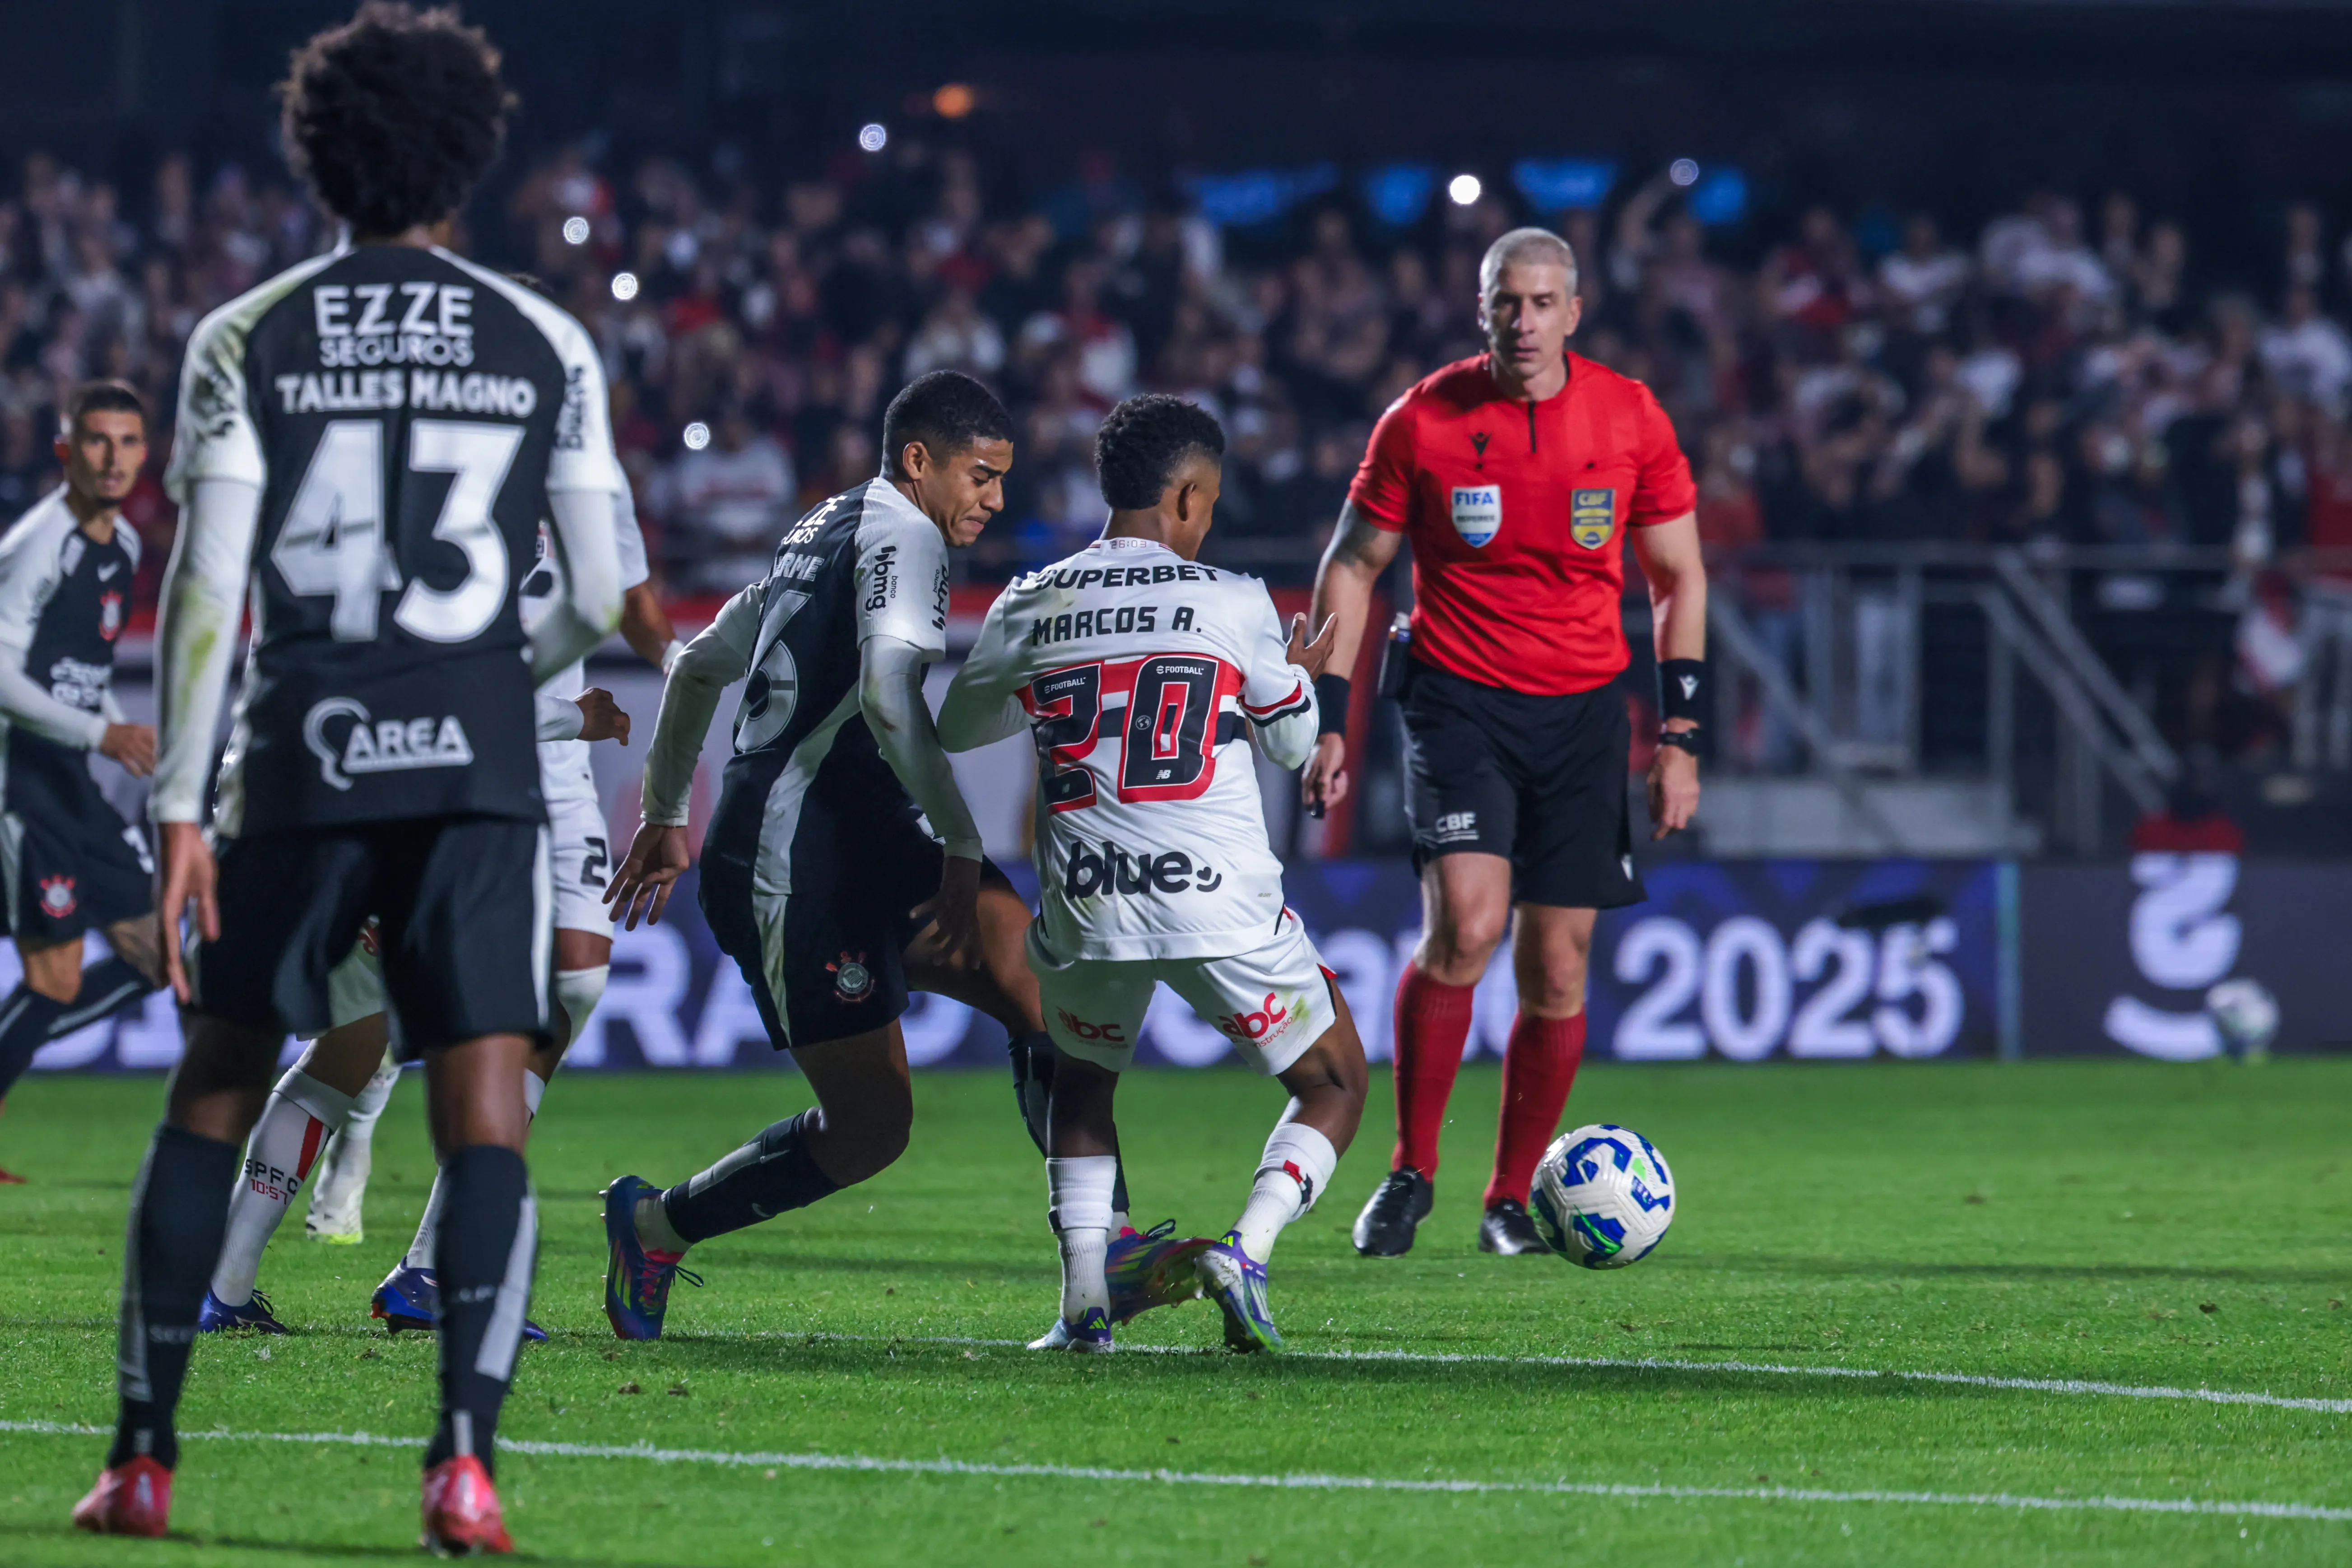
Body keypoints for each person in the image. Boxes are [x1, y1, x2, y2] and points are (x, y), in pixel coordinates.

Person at [73, 6, 624, 1552]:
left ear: (318, 149)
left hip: (305, 760)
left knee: (214, 1090)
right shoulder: (544, 337)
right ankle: (462, 1465)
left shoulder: (251, 332)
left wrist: (179, 806)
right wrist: (486, 674)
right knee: (485, 1114)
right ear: (473, 152)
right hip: (476, 769)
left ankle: (142, 1459)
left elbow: (207, 593)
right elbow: (597, 585)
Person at [596, 370, 1145, 1340]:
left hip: (864, 828)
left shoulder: (825, 528)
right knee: (869, 1130)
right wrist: (966, 844)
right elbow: (892, 698)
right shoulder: (906, 534)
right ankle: (654, 1223)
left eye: (1004, 479)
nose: (995, 499)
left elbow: (697, 665)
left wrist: (666, 810)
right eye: (980, 475)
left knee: (1048, 993)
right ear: (919, 461)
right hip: (792, 860)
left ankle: (1107, 1253)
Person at [192, 450, 680, 1341]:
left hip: (552, 794)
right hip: (442, 789)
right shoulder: (415, 486)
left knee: (569, 985)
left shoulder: (587, 481)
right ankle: (224, 1279)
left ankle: (429, 1270)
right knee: (354, 1044)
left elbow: (631, 608)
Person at [1302, 227, 1707, 1258]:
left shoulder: (1629, 416)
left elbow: (1677, 579)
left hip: (1581, 712)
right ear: (1480, 310)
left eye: (1540, 303)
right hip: (1457, 699)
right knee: (1469, 928)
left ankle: (1506, 1198)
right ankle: (1410, 1172)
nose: (1522, 321)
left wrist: (1680, 736)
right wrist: (1328, 715)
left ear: (1574, 311)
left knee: (1560, 968)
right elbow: (1353, 565)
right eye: (1503, 303)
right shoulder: (1424, 420)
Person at [940, 393, 1366, 1353]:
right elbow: (1295, 744)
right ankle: (1246, 1251)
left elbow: (961, 727)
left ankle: (1082, 1309)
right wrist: (1295, 678)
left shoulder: (1031, 597)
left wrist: (1053, 687)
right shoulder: (1233, 598)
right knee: (1334, 1078)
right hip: (1216, 897)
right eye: (1206, 500)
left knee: (1080, 1081)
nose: (1207, 518)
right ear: (1183, 496)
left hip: (1088, 899)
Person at [0, 382, 167, 1168]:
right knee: (57, 976)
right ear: (67, 450)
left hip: (75, 776)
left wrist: (116, 733)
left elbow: (78, 668)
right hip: (21, 782)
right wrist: (105, 731)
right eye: (96, 441)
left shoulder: (122, 547)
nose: (113, 458)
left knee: (156, 957)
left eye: (127, 442)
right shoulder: (40, 544)